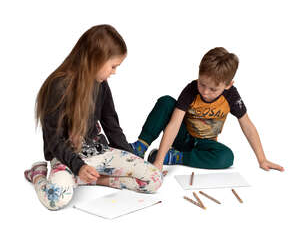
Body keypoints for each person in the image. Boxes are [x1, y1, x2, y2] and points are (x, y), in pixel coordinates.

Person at [24, 25, 163, 211]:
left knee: (154, 179)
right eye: (113, 66)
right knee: (55, 200)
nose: (114, 72)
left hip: (98, 152)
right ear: (95, 59)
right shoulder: (58, 86)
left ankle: (93, 180)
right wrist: (78, 166)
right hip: (67, 157)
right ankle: (38, 174)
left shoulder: (101, 84)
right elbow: (54, 140)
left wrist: (130, 157)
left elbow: (111, 125)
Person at [131, 47, 284, 173]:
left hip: (205, 145)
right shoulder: (191, 90)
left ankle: (175, 157)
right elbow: (174, 124)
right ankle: (141, 146)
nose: (205, 92)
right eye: (202, 84)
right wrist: (158, 162)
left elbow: (247, 126)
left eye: (213, 89)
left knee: (226, 157)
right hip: (183, 137)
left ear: (228, 85)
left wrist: (262, 159)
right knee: (166, 102)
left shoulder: (231, 96)